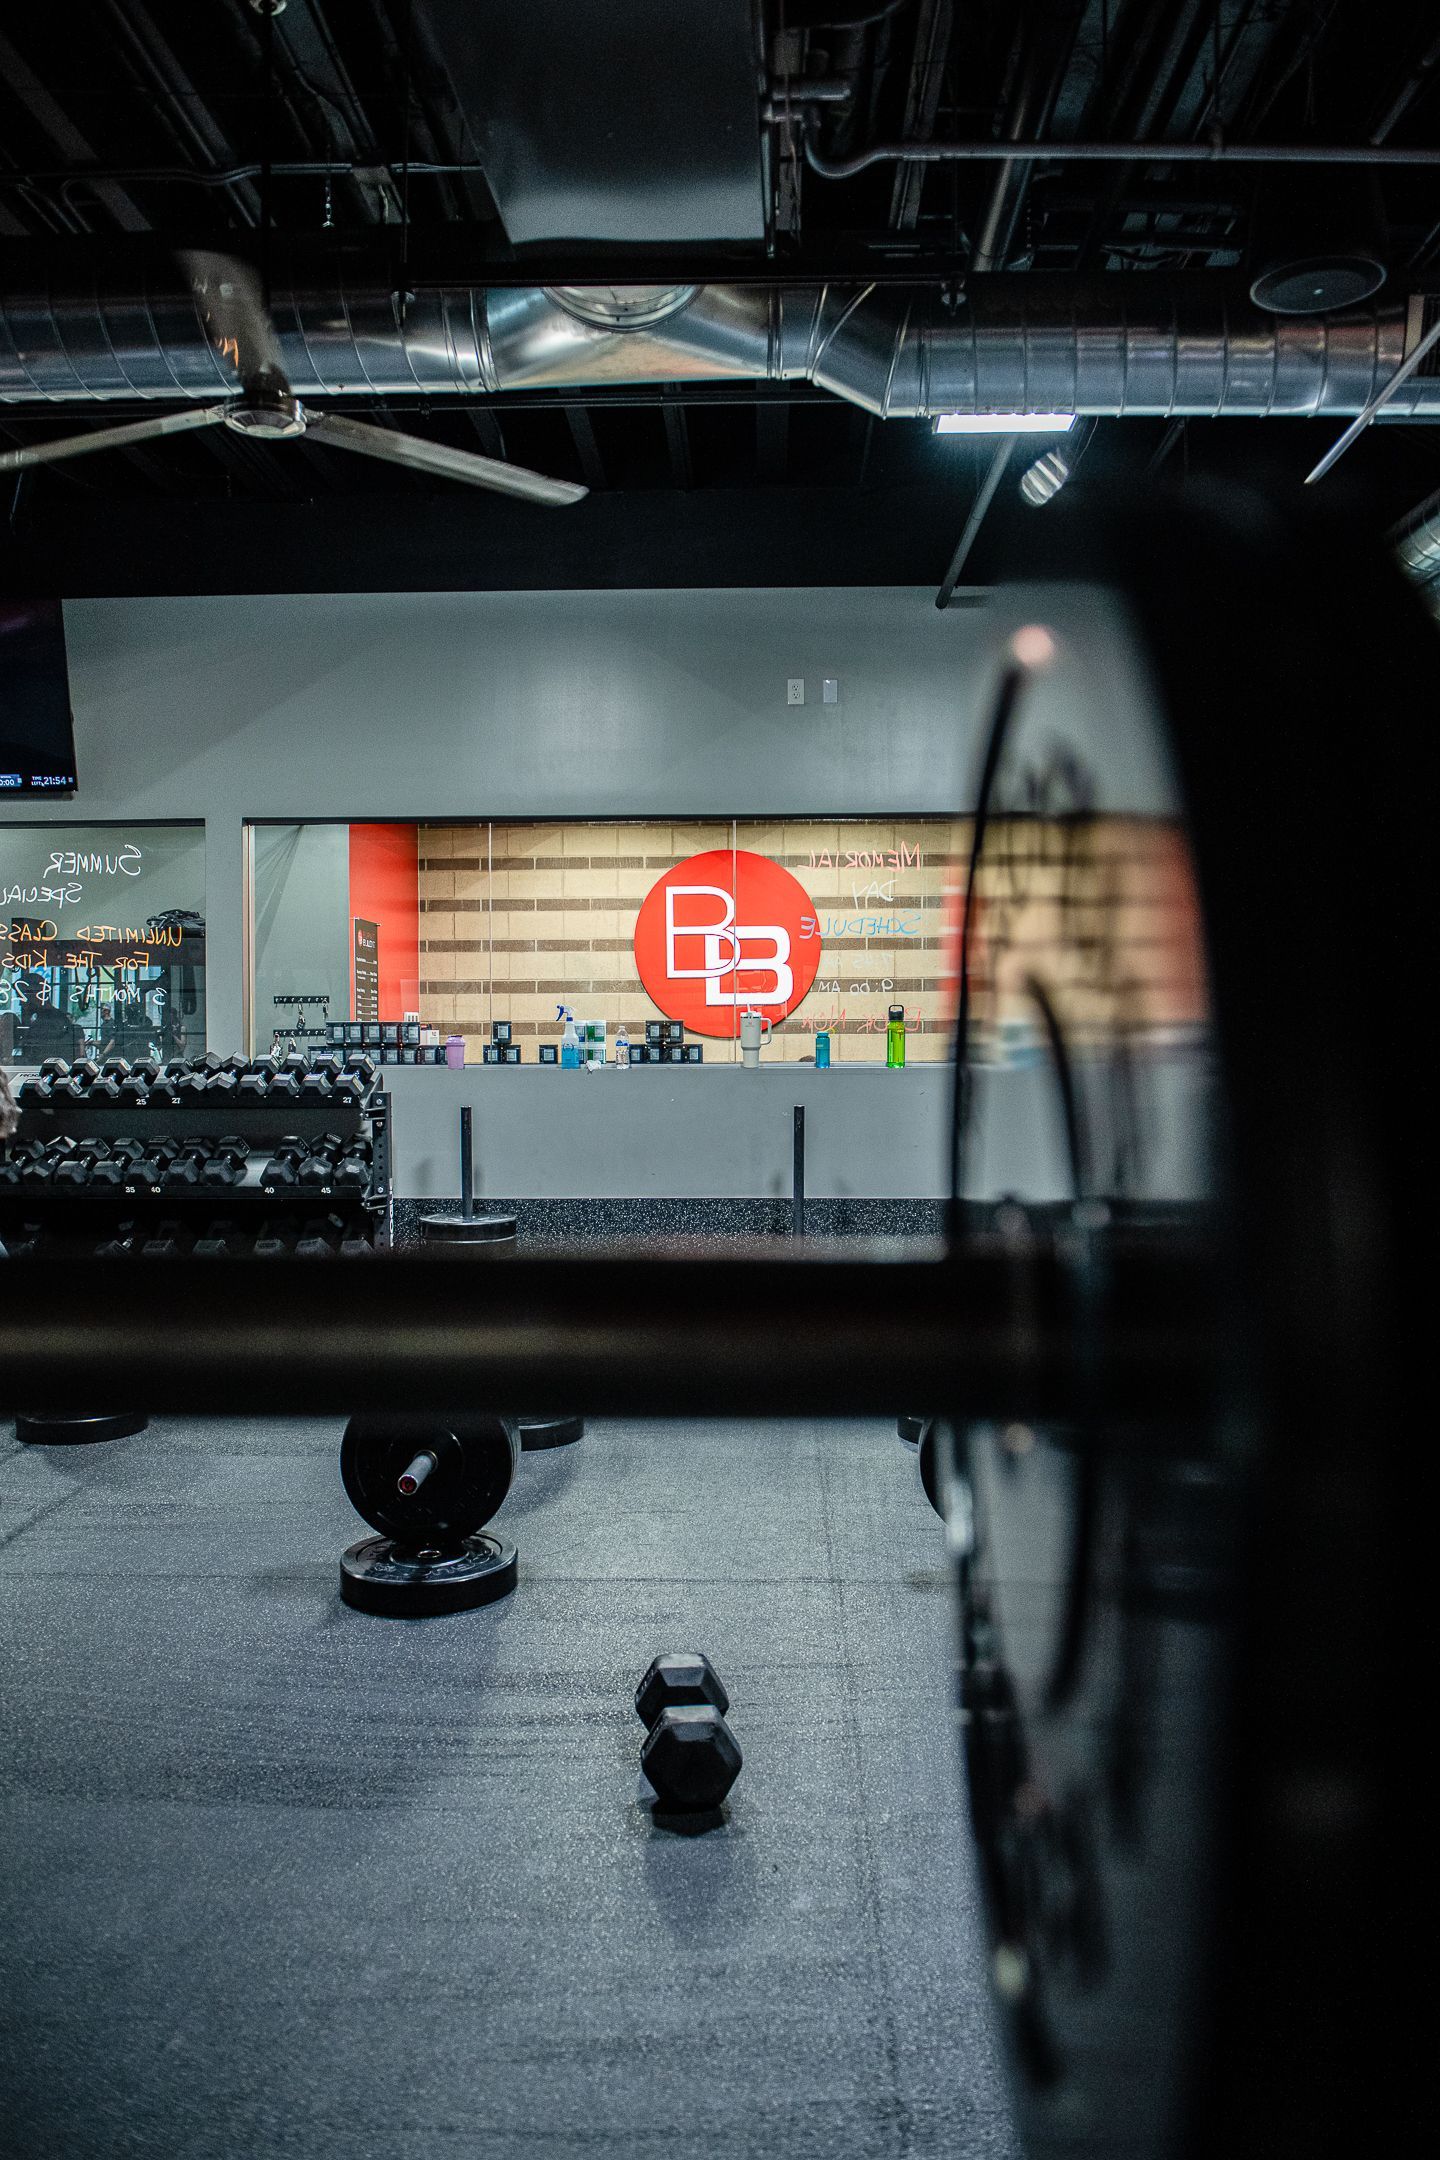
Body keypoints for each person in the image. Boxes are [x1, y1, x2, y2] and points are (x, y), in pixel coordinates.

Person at [15, 972, 86, 1065]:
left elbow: (39, 1057)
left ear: (36, 995)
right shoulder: (53, 1018)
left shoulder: (48, 1021)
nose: (21, 1004)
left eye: (22, 998)